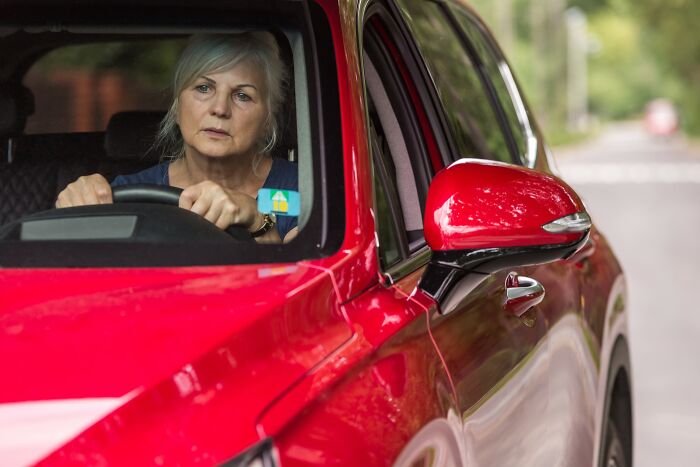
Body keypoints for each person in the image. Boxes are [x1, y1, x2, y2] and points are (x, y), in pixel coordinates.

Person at [55, 32, 298, 243]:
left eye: (242, 95)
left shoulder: (308, 191)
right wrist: (72, 211)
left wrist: (258, 220)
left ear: (267, 121)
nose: (220, 109)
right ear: (177, 108)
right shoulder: (125, 195)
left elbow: (308, 285)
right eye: (204, 88)